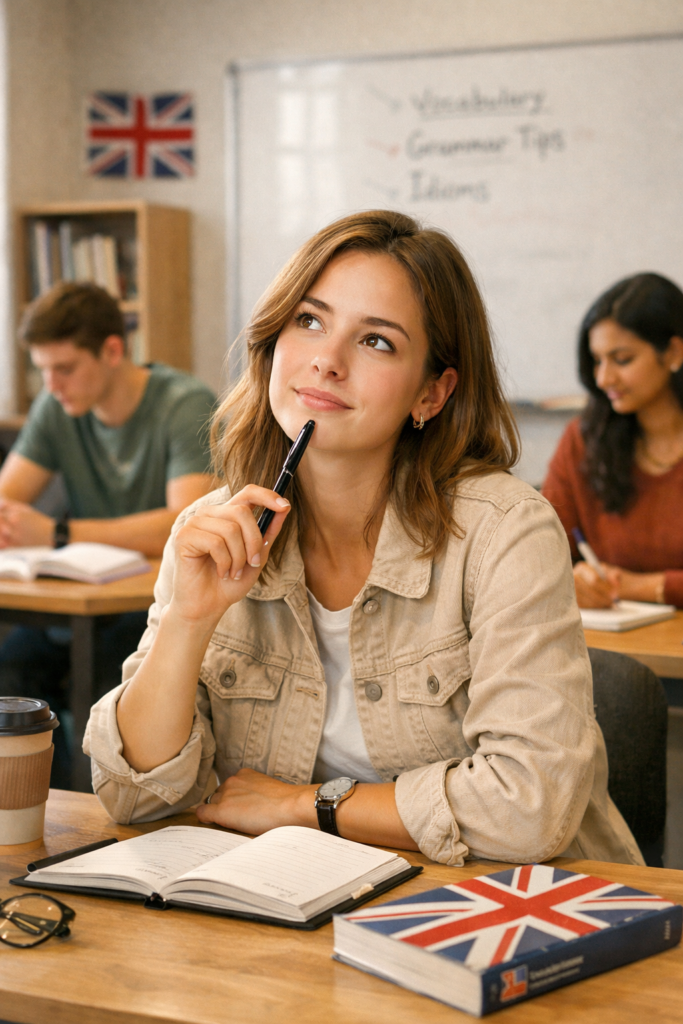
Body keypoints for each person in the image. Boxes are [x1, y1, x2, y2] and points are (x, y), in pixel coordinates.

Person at [86, 210, 641, 867]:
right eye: (308, 320)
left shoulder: (503, 532)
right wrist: (188, 619)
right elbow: (131, 793)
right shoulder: (212, 529)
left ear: (431, 394)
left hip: (513, 913)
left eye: (376, 341)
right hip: (301, 907)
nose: (325, 359)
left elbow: (528, 810)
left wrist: (305, 805)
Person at [0, 282, 216, 785]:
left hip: (145, 606)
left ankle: (99, 818)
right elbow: (7, 499)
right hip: (77, 601)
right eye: (42, 370)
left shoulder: (184, 404)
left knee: (109, 691)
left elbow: (184, 520)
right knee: (10, 676)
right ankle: (27, 819)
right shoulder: (57, 408)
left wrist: (55, 532)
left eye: (65, 368)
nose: (51, 384)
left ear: (113, 350)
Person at [542, 273, 683, 610]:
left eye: (622, 360)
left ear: (674, 353)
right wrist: (574, 577)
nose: (604, 378)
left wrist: (641, 586)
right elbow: (541, 550)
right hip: (609, 643)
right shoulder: (583, 440)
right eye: (597, 361)